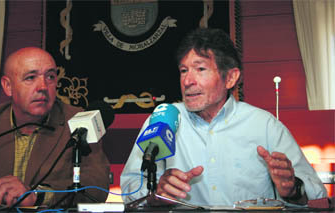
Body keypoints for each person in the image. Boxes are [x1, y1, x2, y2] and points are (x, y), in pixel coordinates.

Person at [120, 28, 327, 206]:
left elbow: (318, 193)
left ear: (230, 77)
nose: (187, 81)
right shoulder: (163, 121)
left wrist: (293, 189)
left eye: (200, 69)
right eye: (183, 71)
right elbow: (129, 189)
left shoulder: (264, 126)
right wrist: (154, 193)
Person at [0, 47, 110, 207]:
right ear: (8, 86)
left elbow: (97, 186)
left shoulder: (79, 121)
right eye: (31, 78)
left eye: (50, 77)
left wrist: (37, 195)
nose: (43, 87)